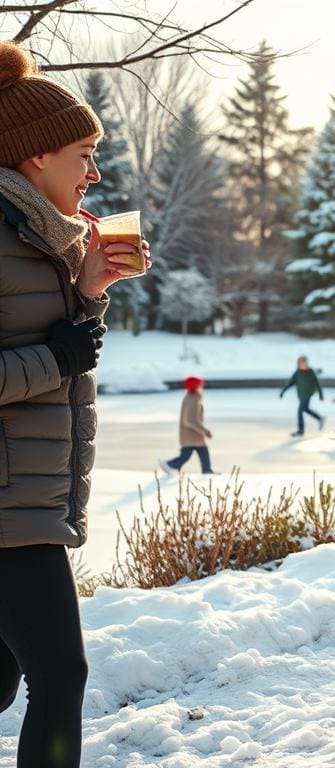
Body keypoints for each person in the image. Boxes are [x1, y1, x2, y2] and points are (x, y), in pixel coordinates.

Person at [0, 40, 150, 768]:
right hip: (7, 508)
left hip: (26, 496)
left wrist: (89, 292)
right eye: (81, 154)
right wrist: (54, 355)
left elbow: (65, 354)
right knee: (60, 677)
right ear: (34, 157)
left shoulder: (36, 237)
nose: (94, 172)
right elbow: (53, 361)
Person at [160, 376, 215, 475]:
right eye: (199, 385)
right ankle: (170, 464)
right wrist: (205, 431)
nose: (201, 387)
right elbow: (189, 420)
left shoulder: (193, 398)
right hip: (191, 435)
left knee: (200, 452)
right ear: (195, 387)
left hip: (193, 435)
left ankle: (207, 470)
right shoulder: (192, 399)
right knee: (187, 455)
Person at [280, 355, 325, 437]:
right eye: (301, 364)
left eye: (305, 364)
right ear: (298, 364)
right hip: (301, 395)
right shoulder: (297, 373)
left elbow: (317, 383)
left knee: (300, 411)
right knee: (306, 409)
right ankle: (320, 418)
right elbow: (290, 383)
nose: (303, 366)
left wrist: (321, 394)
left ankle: (301, 431)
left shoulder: (310, 372)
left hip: (307, 394)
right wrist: (283, 391)